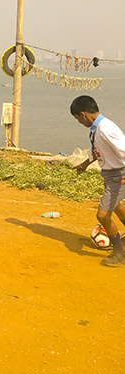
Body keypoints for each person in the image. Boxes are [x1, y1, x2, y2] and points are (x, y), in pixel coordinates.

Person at [71, 95, 125, 267]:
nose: (79, 122)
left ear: (83, 114)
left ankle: (119, 253)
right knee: (115, 205)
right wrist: (85, 164)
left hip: (119, 175)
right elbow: (98, 150)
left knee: (102, 215)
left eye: (77, 119)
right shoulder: (97, 128)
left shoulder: (105, 129)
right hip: (110, 175)